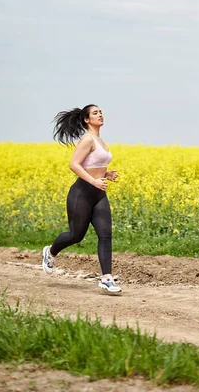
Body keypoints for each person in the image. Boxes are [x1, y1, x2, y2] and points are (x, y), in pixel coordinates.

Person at [42, 104, 121, 294]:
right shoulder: (87, 139)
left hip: (98, 193)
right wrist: (94, 180)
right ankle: (50, 252)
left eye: (101, 111)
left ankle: (106, 278)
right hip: (82, 193)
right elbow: (74, 165)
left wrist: (106, 174)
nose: (100, 114)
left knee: (105, 234)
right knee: (76, 235)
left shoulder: (101, 141)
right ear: (87, 120)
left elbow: (94, 164)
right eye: (95, 113)